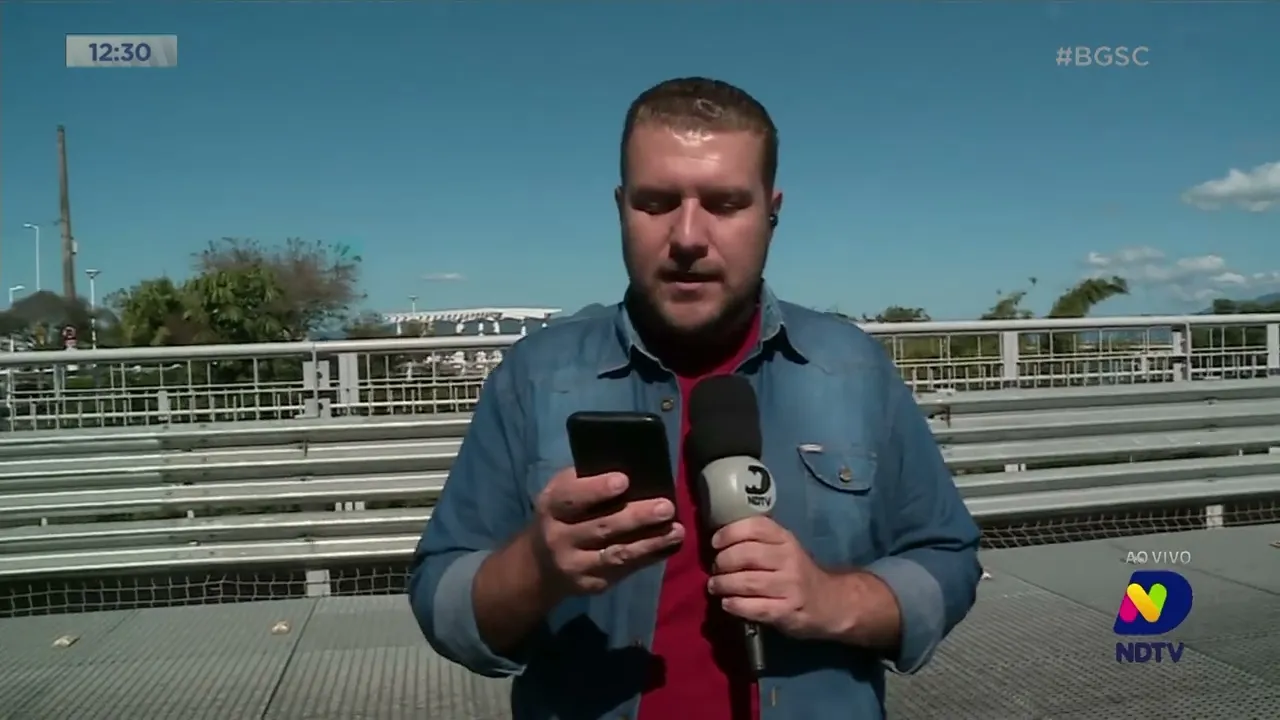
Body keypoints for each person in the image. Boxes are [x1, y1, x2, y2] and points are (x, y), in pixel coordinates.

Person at [409, 76, 982, 720]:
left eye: (725, 203)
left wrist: (833, 601)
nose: (687, 236)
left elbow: (949, 560)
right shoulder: (535, 375)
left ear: (772, 212)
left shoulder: (853, 368)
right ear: (620, 208)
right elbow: (439, 599)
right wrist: (536, 568)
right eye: (655, 203)